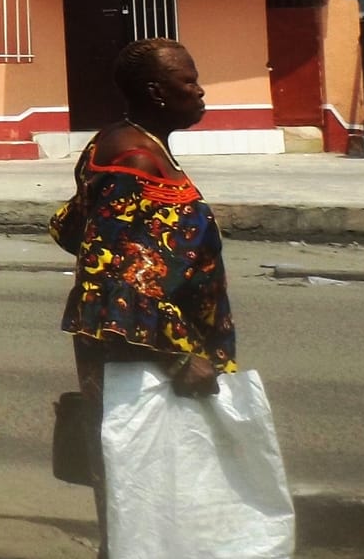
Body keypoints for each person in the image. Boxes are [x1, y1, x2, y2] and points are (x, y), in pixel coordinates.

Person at [51, 38, 236, 558]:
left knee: (153, 486)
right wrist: (181, 356)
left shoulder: (133, 145)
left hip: (154, 348)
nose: (200, 91)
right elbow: (117, 279)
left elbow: (74, 228)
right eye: (189, 81)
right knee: (137, 487)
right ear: (156, 92)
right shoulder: (129, 157)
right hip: (139, 353)